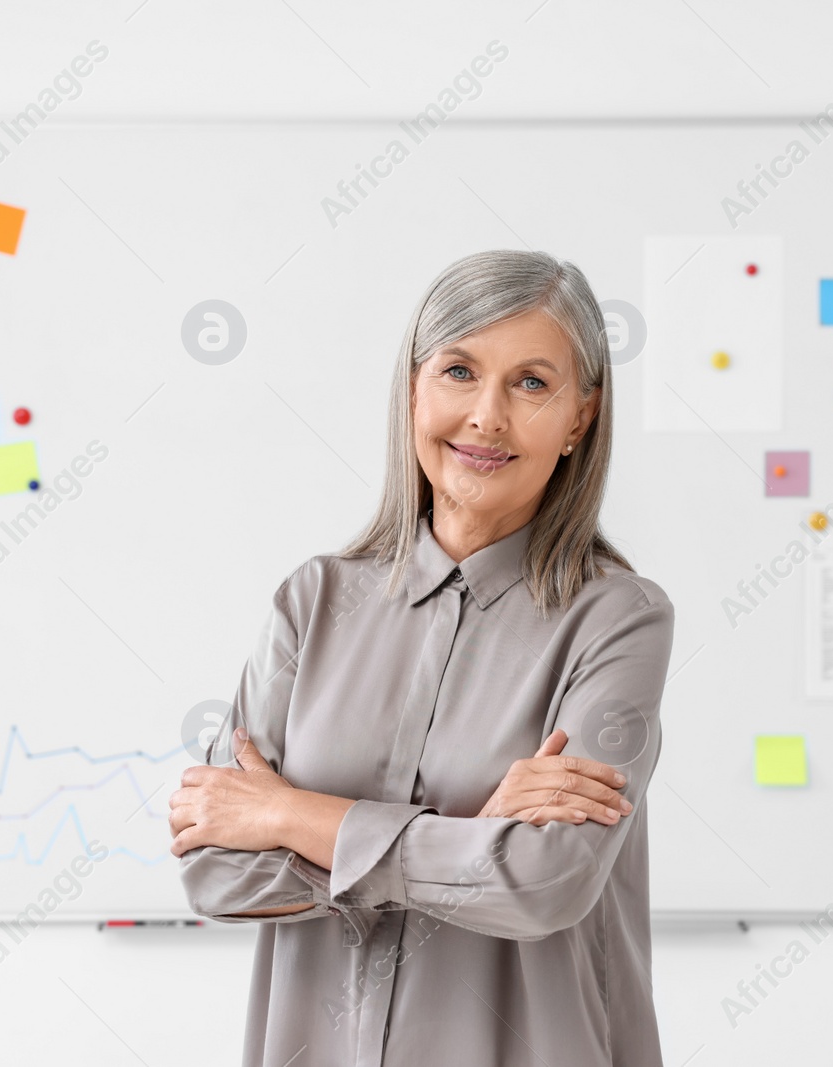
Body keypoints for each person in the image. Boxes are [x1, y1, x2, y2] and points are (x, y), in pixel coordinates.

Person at [172, 248, 675, 1066]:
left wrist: (288, 816)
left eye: (532, 383)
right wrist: (475, 838)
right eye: (458, 370)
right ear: (413, 388)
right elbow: (219, 873)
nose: (486, 416)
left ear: (581, 417)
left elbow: (543, 882)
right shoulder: (312, 601)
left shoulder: (618, 619)